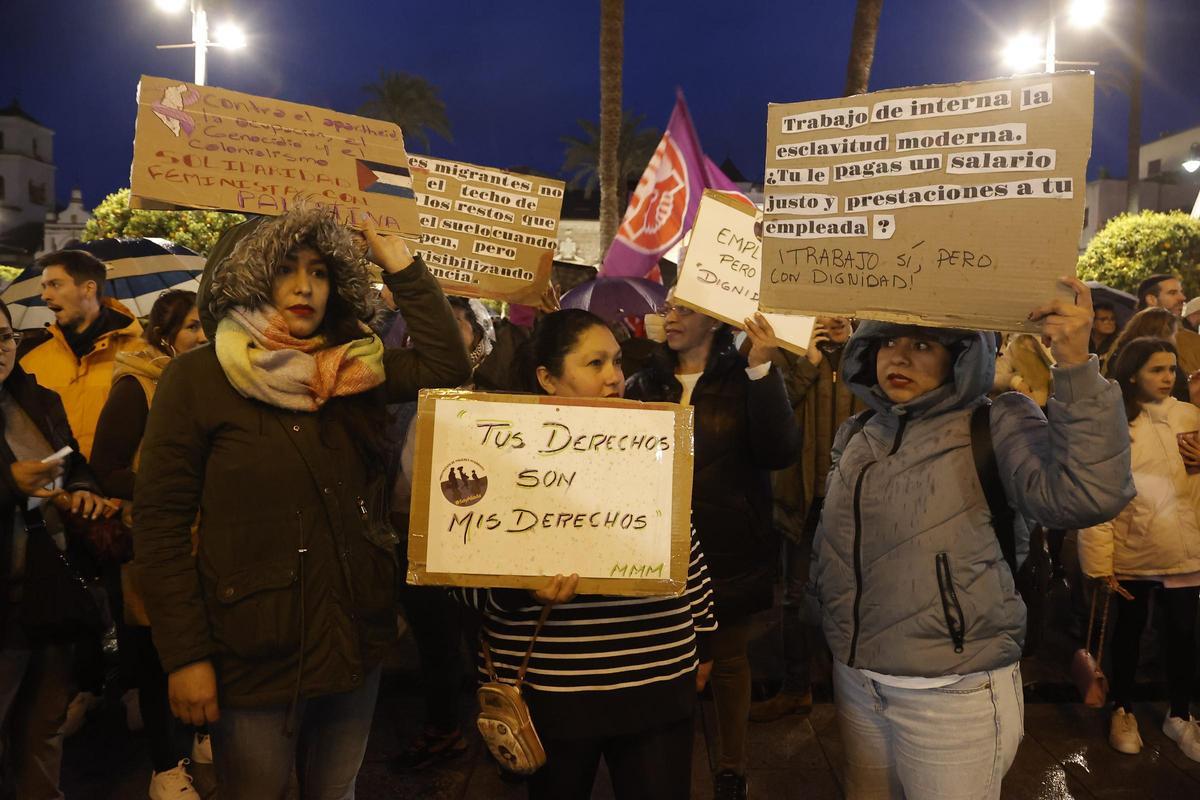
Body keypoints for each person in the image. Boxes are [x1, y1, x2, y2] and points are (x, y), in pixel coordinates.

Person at [132, 207, 472, 800]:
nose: (303, 285)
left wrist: (400, 265)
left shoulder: (351, 366)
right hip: (254, 655)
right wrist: (185, 657)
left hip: (353, 641)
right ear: (248, 277)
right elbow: (160, 527)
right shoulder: (197, 379)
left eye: (318, 271)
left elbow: (448, 363)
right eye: (285, 268)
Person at [810, 278, 1134, 799]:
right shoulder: (861, 433)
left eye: (922, 344)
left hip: (954, 693)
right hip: (858, 682)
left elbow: (1088, 495)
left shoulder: (998, 420)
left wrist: (1075, 363)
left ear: (962, 355)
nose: (899, 357)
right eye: (887, 341)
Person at [460, 308, 717, 800]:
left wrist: (704, 637)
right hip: (554, 693)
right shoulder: (499, 448)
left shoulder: (651, 439)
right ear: (547, 378)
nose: (615, 378)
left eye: (617, 362)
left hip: (656, 679)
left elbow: (685, 543)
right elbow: (463, 578)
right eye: (595, 364)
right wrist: (518, 592)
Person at [625, 295, 799, 800]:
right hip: (654, 543)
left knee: (727, 659)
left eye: (686, 309)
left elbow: (780, 450)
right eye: (669, 308)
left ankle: (731, 763)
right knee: (659, 657)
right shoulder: (644, 381)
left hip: (729, 542)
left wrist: (763, 367)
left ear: (715, 320)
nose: (671, 317)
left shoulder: (745, 377)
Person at [90, 290, 209, 799]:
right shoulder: (138, 385)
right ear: (164, 335)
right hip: (154, 544)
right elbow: (105, 468)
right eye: (192, 328)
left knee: (203, 645)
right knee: (160, 659)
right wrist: (169, 487)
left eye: (208, 326)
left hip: (206, 542)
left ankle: (204, 736)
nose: (203, 337)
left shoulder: (210, 382)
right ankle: (165, 768)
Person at [0, 297, 114, 800]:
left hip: (49, 588)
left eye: (4, 338)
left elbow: (77, 461)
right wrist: (9, 483)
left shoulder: (38, 398)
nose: (0, 349)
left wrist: (84, 486)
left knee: (43, 727)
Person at [1077, 337, 1200, 761]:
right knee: (1127, 634)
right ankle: (1123, 707)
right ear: (1132, 373)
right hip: (1132, 551)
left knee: (1184, 635)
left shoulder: (1189, 415)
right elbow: (1098, 498)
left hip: (1185, 550)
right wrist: (1098, 562)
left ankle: (1180, 713)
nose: (1168, 378)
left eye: (1171, 370)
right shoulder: (1113, 423)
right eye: (1156, 370)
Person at [388, 294, 495, 772]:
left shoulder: (493, 394)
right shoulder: (398, 391)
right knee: (433, 640)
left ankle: (503, 733)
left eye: (457, 323)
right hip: (410, 534)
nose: (446, 332)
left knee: (485, 642)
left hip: (475, 539)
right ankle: (444, 727)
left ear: (477, 334)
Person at [754, 316, 863, 723]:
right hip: (801, 497)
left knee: (856, 596)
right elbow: (774, 411)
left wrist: (849, 350)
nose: (832, 314)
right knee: (795, 598)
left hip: (852, 500)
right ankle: (796, 687)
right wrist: (808, 362)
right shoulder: (789, 351)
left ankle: (851, 691)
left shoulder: (867, 354)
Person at [19, 249, 145, 459]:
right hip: (59, 489)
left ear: (88, 288)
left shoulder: (142, 356)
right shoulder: (30, 361)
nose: (45, 296)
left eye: (55, 285)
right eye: (44, 286)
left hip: (120, 490)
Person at [1136, 274, 1200, 376]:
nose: (1182, 298)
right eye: (1172, 293)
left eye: (1181, 292)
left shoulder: (1193, 340)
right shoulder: (1128, 341)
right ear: (1151, 299)